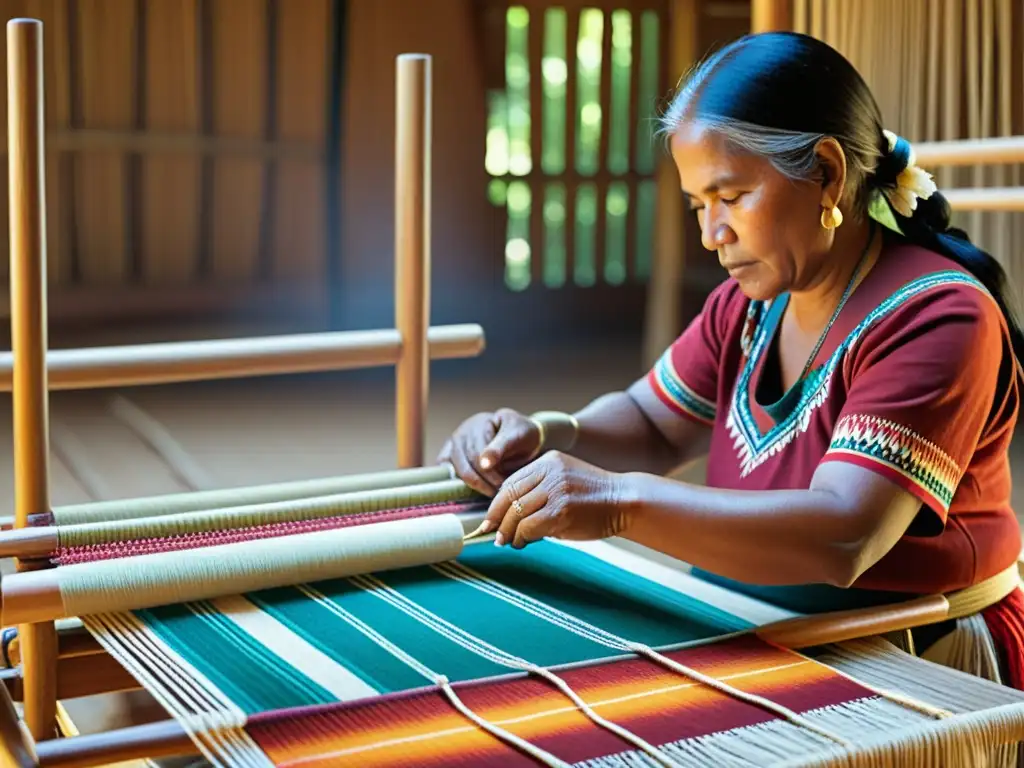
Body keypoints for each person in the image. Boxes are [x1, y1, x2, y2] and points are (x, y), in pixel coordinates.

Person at [438, 31, 1024, 689]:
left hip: (907, 661)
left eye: (731, 197)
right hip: (754, 631)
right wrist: (543, 435)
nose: (711, 234)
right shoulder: (748, 307)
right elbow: (653, 423)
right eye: (698, 205)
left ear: (827, 173)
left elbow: (843, 534)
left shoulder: (939, 316)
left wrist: (617, 502)